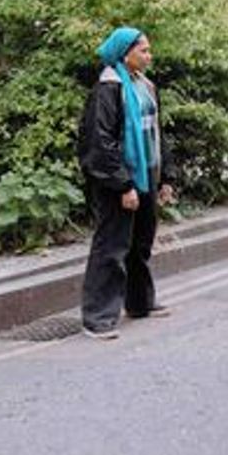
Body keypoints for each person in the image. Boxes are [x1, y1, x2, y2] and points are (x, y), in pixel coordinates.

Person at [77, 28, 175, 340]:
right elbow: (100, 143)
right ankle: (98, 318)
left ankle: (140, 301)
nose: (149, 56)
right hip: (119, 180)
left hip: (147, 174)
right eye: (143, 50)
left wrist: (166, 177)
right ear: (125, 53)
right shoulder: (109, 87)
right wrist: (122, 185)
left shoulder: (144, 85)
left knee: (140, 243)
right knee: (112, 246)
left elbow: (157, 133)